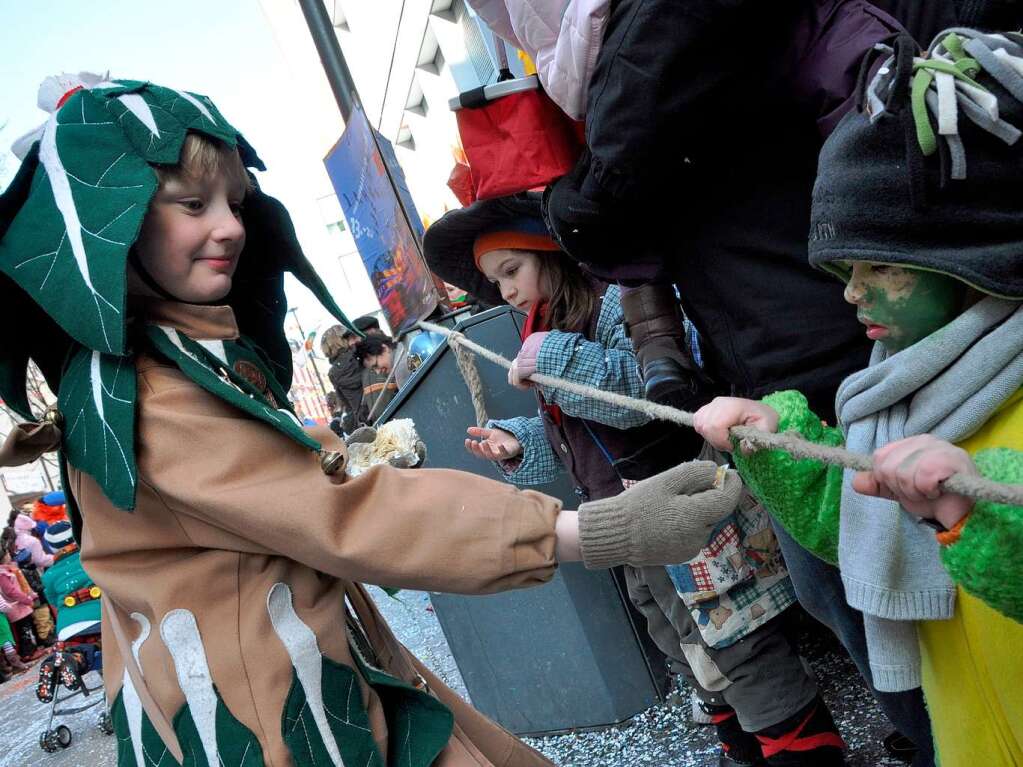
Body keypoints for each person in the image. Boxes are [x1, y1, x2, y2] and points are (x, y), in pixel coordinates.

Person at [0, 74, 739, 766]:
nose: (230, 226)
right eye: (193, 205)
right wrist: (595, 530)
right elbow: (340, 512)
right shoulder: (155, 394)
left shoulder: (158, 366)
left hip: (300, 678)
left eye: (235, 200)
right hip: (276, 722)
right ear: (112, 222)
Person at [693, 29, 1023, 766]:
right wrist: (772, 442)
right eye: (842, 265)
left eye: (880, 265)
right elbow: (852, 528)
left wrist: (977, 501)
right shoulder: (886, 386)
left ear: (976, 256)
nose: (849, 291)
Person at [426, 199, 846, 767]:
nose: (504, 291)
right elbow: (581, 428)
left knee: (737, 639)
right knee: (679, 642)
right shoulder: (546, 328)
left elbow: (642, 395)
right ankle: (743, 749)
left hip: (682, 508)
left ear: (550, 253)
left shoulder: (613, 305)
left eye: (511, 270)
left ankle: (805, 755)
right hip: (626, 525)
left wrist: (552, 357)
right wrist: (521, 441)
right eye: (493, 280)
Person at [354, 334, 411, 422]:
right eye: (373, 369)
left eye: (376, 365)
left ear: (385, 348)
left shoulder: (401, 370)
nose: (378, 372)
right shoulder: (404, 346)